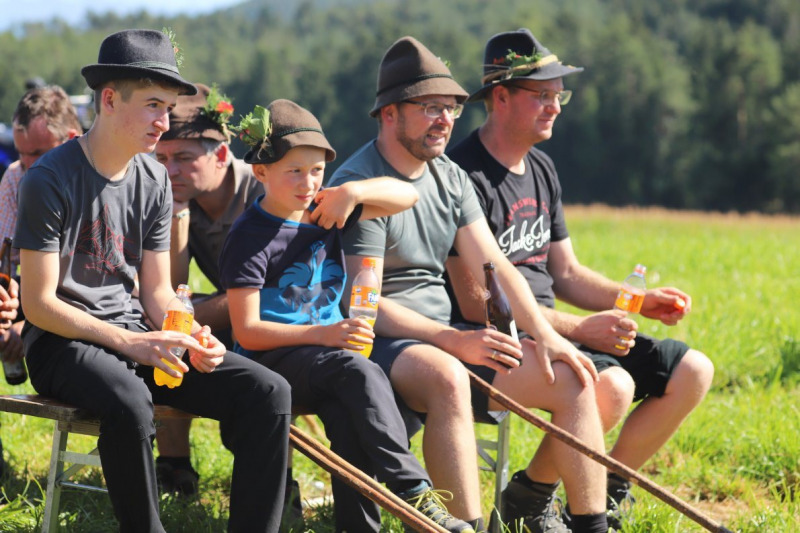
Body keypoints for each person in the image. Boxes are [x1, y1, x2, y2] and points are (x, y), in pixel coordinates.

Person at [14, 29, 291, 532]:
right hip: (60, 344)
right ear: (111, 99)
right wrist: (133, 343)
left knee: (267, 392)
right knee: (129, 399)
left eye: (169, 107)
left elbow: (158, 292)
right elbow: (37, 303)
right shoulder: (48, 179)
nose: (165, 122)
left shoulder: (155, 179)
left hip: (136, 337)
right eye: (153, 105)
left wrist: (188, 335)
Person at [329, 36, 609, 533]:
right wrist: (453, 339)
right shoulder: (361, 183)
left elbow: (496, 264)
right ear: (388, 114)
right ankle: (469, 526)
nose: (444, 120)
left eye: (451, 108)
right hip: (379, 340)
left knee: (573, 378)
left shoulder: (451, 177)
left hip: (443, 333)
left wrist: (546, 335)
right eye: (429, 108)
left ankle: (591, 526)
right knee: (447, 375)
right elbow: (364, 304)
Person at [447, 28, 715, 530]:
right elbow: (477, 301)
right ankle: (530, 502)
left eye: (558, 95)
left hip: (560, 329)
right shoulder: (462, 177)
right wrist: (579, 329)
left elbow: (565, 272)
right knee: (609, 386)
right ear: (500, 97)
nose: (556, 107)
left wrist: (635, 300)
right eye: (542, 95)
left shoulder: (543, 168)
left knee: (692, 371)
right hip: (504, 338)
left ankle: (605, 490)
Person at [218, 98, 473, 533]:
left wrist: (351, 191)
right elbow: (248, 332)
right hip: (274, 360)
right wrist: (324, 334)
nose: (308, 182)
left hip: (324, 356)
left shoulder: (327, 212)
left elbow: (406, 195)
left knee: (349, 420)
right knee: (358, 372)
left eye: (317, 170)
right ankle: (413, 491)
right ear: (260, 173)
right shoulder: (249, 237)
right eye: (294, 171)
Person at [152, 81, 262, 496]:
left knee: (178, 326)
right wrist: (176, 216)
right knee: (167, 331)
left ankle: (272, 479)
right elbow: (169, 288)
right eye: (161, 158)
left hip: (276, 315)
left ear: (220, 154)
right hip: (229, 312)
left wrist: (190, 316)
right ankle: (175, 468)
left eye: (182, 158)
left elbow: (266, 295)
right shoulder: (175, 195)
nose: (170, 170)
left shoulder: (262, 190)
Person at [0, 85, 82, 382]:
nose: (27, 165)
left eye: (37, 154)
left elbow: (87, 281)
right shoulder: (16, 176)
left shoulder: (91, 179)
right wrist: (5, 308)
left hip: (85, 296)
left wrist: (25, 329)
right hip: (35, 289)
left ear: (71, 139)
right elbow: (6, 259)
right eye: (22, 154)